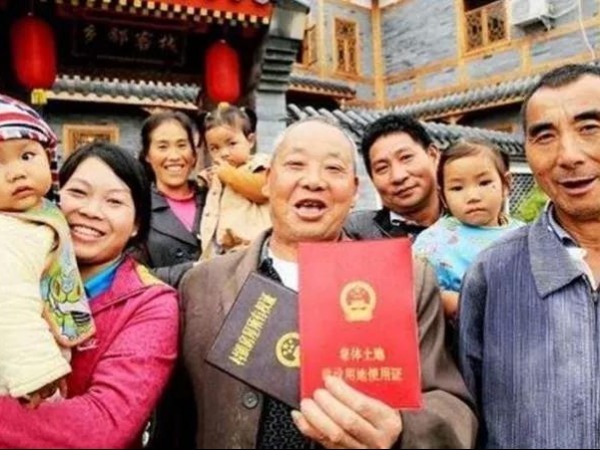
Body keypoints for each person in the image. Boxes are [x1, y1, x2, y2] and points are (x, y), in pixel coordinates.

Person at [181, 118, 477, 449]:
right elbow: (176, 422)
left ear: (354, 191)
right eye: (295, 165)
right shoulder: (201, 286)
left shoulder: (407, 279)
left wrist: (400, 431)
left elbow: (453, 408)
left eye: (333, 169)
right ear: (268, 180)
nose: (313, 181)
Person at [0, 142, 179, 448]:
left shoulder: (150, 305)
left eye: (114, 201)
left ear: (136, 224)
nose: (90, 211)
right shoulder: (14, 266)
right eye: (78, 193)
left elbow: (103, 427)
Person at [459, 63, 600, 448]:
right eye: (545, 136)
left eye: (590, 127)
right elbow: (469, 416)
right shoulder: (493, 273)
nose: (568, 155)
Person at [0, 94, 94, 408]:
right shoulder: (7, 233)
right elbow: (8, 303)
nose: (16, 172)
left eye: (27, 155)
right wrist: (37, 374)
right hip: (20, 377)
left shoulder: (39, 213)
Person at [413, 139, 523, 320]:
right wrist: (449, 302)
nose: (472, 196)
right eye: (457, 188)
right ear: (443, 196)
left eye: (484, 183)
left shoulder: (526, 235)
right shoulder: (432, 242)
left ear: (506, 184)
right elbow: (417, 293)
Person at [345, 114, 442, 240]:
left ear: (433, 155)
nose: (398, 176)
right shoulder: (355, 233)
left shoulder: (466, 219)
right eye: (382, 168)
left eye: (406, 157)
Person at [139, 110, 207, 287]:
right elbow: (132, 275)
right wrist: (192, 270)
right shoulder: (138, 207)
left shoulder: (213, 198)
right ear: (147, 155)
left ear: (193, 153)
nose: (174, 156)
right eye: (162, 147)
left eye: (182, 145)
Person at [197, 103, 271, 260]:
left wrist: (229, 175)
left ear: (250, 141)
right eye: (215, 148)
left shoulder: (258, 164)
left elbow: (262, 190)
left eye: (231, 144)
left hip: (254, 248)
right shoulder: (217, 173)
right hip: (223, 251)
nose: (224, 153)